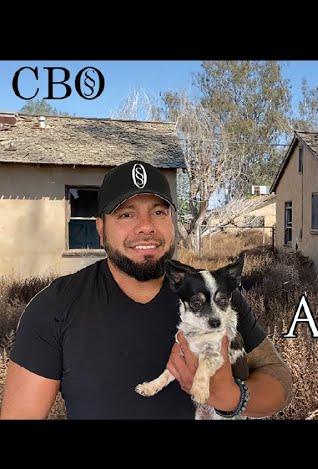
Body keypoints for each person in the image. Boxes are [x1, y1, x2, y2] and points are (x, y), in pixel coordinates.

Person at [0, 160, 292, 419]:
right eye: (126, 214)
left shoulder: (213, 295)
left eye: (159, 211)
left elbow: (278, 380)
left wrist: (232, 397)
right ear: (100, 229)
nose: (146, 227)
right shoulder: (55, 307)